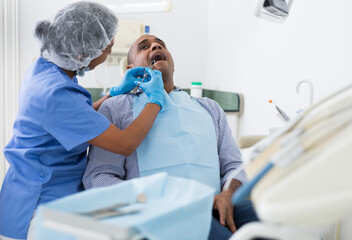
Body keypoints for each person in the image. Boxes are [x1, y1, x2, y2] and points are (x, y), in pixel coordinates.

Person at [0, 2, 165, 240]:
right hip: (36, 210)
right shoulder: (55, 93)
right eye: (107, 49)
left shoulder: (49, 69)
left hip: (35, 194)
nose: (110, 50)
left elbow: (76, 118)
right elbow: (126, 143)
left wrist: (114, 93)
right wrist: (156, 100)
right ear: (81, 54)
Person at [83, 34, 259, 240]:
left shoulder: (210, 108)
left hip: (217, 204)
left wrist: (228, 194)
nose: (155, 46)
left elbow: (234, 166)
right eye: (144, 47)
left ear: (173, 66)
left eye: (160, 45)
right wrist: (150, 202)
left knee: (274, 224)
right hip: (161, 213)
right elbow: (98, 177)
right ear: (131, 70)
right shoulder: (115, 108)